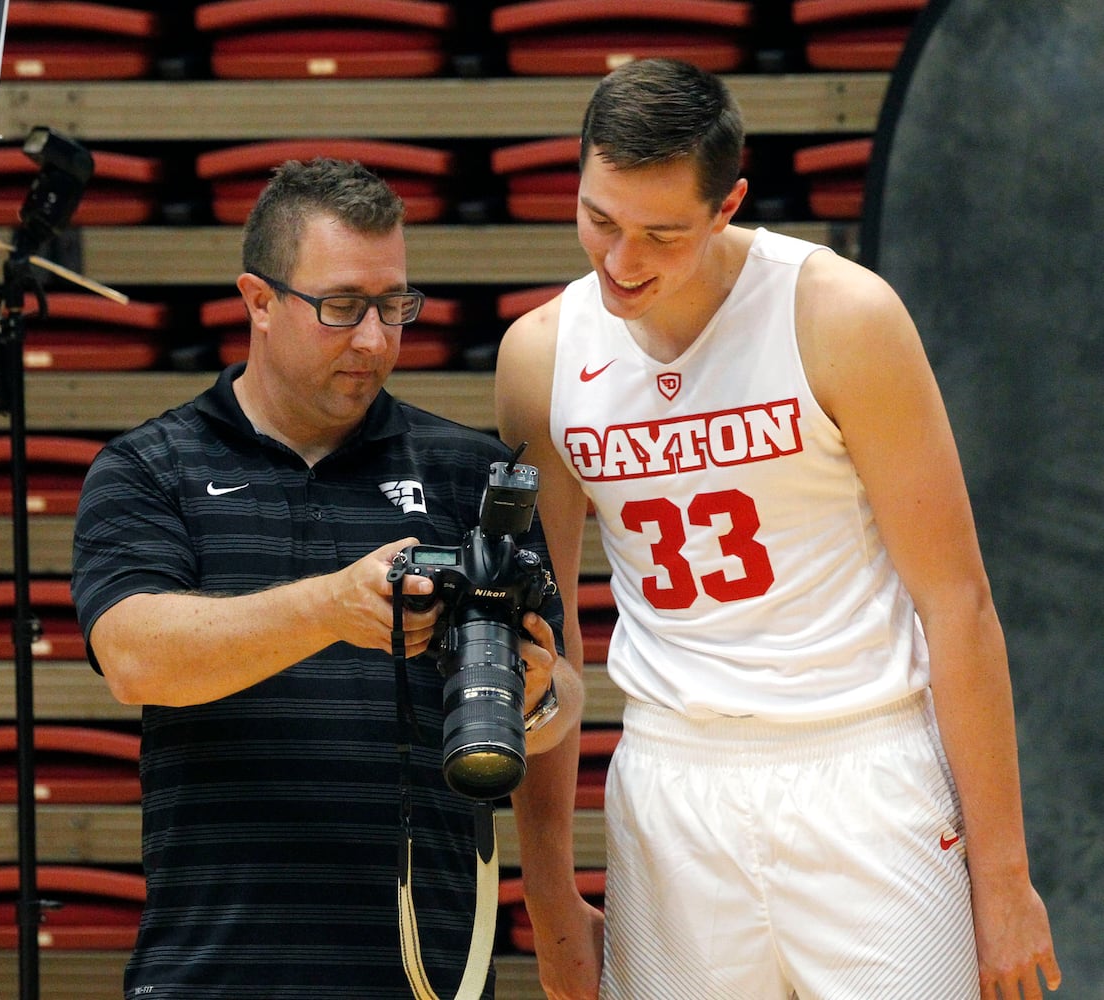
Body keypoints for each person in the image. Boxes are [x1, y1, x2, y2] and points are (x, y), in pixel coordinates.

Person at [496, 58, 1061, 1000]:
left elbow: (957, 605)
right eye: (600, 219)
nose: (621, 263)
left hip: (865, 768)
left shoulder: (842, 314)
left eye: (661, 233)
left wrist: (1004, 879)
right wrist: (550, 892)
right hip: (673, 781)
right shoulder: (541, 356)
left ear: (729, 207)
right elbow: (540, 652)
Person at [70, 157, 586, 999]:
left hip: (427, 974)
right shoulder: (149, 468)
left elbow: (562, 697)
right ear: (259, 300)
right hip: (215, 975)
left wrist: (537, 695)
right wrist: (330, 607)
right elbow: (133, 655)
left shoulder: (469, 475)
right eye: (342, 308)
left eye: (396, 307)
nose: (375, 340)